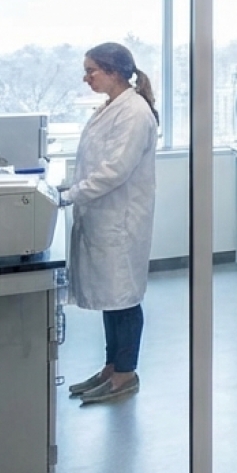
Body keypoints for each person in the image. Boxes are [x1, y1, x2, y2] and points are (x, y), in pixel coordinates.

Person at [60, 42, 160, 405]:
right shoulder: (111, 107)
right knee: (111, 298)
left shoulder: (133, 112)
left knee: (124, 299)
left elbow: (115, 170)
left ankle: (125, 374)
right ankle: (111, 367)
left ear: (114, 72)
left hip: (120, 221)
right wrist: (69, 188)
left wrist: (71, 195)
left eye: (91, 71)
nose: (86, 78)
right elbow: (94, 162)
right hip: (103, 217)